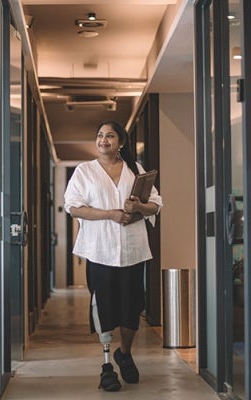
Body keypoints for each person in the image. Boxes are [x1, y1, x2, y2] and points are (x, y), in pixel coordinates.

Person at [64, 120, 163, 392]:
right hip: (100, 250)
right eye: (99, 136)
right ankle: (107, 366)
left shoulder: (136, 170)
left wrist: (139, 206)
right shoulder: (85, 172)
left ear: (121, 142)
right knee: (104, 307)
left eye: (110, 136)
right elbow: (73, 208)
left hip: (133, 249)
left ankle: (125, 353)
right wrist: (110, 214)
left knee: (132, 308)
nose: (103, 140)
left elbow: (155, 205)